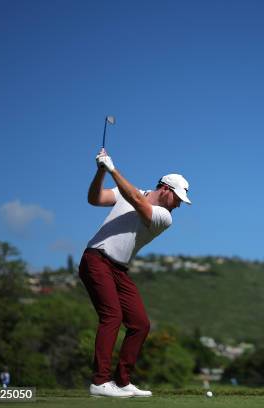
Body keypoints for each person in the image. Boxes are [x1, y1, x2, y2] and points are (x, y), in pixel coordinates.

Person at [79, 149, 191, 398]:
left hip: (119, 269)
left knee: (140, 324)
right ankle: (100, 382)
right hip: (96, 259)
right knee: (112, 316)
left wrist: (112, 169)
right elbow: (95, 198)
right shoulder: (130, 192)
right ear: (165, 190)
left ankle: (122, 381)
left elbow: (137, 202)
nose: (179, 206)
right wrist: (100, 172)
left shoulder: (165, 217)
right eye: (178, 199)